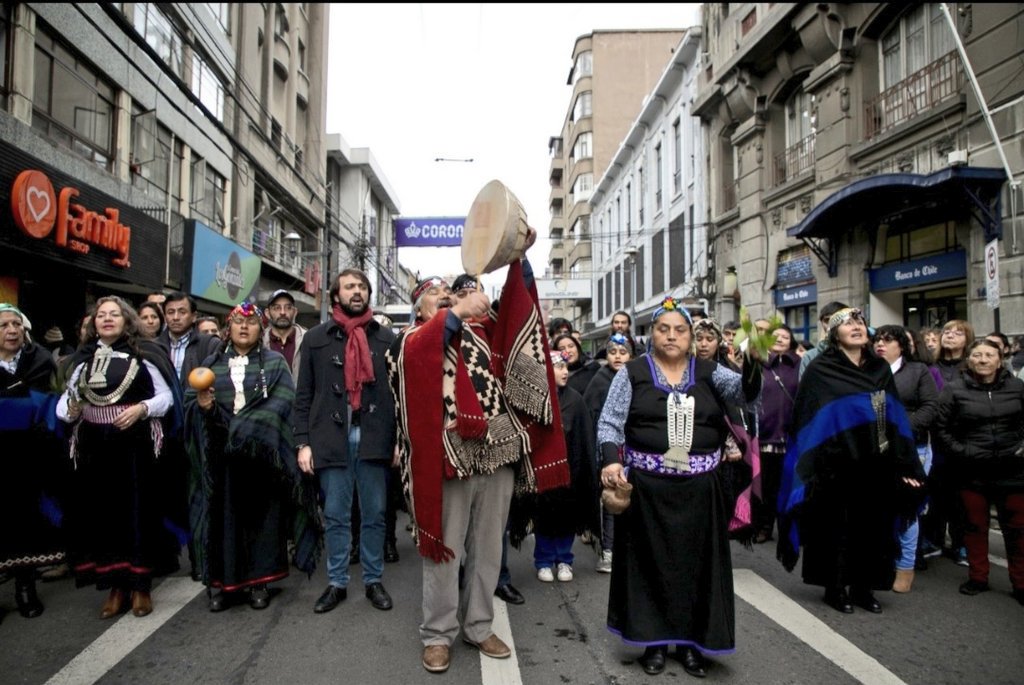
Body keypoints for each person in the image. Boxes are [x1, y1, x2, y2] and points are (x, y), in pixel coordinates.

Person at [388, 232, 570, 675]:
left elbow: (515, 312)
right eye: (435, 296)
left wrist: (517, 260)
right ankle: (437, 634)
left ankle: (479, 623)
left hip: (498, 449)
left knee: (488, 550)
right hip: (447, 457)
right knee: (444, 551)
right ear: (418, 308)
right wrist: (453, 313)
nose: (445, 299)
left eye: (449, 293)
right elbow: (420, 357)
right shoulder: (411, 340)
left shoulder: (482, 334)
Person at [597, 297, 762, 678]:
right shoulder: (633, 373)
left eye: (680, 330)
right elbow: (610, 423)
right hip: (647, 490)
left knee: (696, 569)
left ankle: (691, 646)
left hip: (700, 490)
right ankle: (653, 643)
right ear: (651, 334)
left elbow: (745, 395)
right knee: (648, 567)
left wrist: (754, 359)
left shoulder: (710, 372)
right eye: (663, 329)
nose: (671, 336)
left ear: (691, 336)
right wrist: (610, 459)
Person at [777, 308, 924, 616]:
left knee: (874, 528)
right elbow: (808, 417)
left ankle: (865, 587)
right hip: (835, 466)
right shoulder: (821, 369)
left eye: (859, 322)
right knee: (836, 529)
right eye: (847, 324)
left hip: (876, 463)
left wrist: (906, 463)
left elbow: (894, 414)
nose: (856, 327)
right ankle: (836, 587)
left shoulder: (879, 368)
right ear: (834, 334)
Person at [184, 302, 321, 611]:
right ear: (228, 328)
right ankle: (219, 584)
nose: (244, 327)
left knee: (262, 520)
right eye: (237, 322)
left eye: (251, 323)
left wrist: (247, 427)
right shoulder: (210, 363)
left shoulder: (273, 364)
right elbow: (190, 403)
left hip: (261, 459)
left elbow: (283, 403)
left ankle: (259, 582)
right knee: (220, 519)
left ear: (262, 330)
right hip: (219, 459)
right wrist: (204, 407)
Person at [56, 296, 182, 619]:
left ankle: (140, 586)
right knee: (104, 516)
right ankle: (116, 586)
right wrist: (71, 410)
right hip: (96, 450)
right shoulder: (81, 361)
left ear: (127, 320)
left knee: (137, 514)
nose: (108, 319)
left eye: (115, 314)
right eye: (101, 315)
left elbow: (167, 397)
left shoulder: (145, 354)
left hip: (135, 446)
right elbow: (65, 404)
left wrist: (142, 409)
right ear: (93, 322)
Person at [294, 269, 397, 614]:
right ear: (336, 295)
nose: (357, 292)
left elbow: (400, 397)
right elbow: (303, 395)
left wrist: (399, 441)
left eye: (362, 287)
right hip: (330, 439)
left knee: (375, 514)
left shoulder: (387, 339)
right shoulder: (315, 338)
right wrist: (302, 443)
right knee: (336, 515)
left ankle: (373, 580)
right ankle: (337, 582)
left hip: (374, 437)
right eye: (350, 286)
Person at [933, 338, 1024, 605]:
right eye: (977, 355)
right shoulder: (954, 389)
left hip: (1013, 471)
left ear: (1000, 358)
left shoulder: (1017, 387)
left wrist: (1019, 447)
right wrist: (964, 451)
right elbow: (941, 429)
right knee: (974, 527)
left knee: (1018, 530)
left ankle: (1020, 583)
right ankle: (978, 577)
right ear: (969, 360)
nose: (983, 360)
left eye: (989, 355)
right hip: (971, 471)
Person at [0, 304, 65, 619]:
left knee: (25, 520)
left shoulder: (38, 361)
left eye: (16, 324)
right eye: (3, 325)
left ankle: (25, 589)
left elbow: (48, 404)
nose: (12, 330)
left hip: (28, 454)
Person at [872, 325, 939, 592]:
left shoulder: (917, 371)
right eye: (877, 339)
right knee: (880, 508)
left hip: (913, 449)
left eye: (888, 340)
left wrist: (901, 428)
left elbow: (931, 407)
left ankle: (905, 567)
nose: (881, 344)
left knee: (907, 509)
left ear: (902, 346)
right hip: (878, 450)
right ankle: (883, 561)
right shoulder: (868, 371)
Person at [533, 351, 598, 583]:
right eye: (558, 367)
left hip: (570, 471)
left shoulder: (575, 400)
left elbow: (584, 438)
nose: (564, 372)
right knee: (543, 516)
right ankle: (543, 560)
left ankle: (564, 560)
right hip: (544, 471)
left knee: (567, 517)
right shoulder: (536, 397)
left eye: (565, 367)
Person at [926, 319, 975, 566]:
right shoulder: (930, 366)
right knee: (935, 491)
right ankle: (934, 540)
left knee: (961, 495)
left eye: (958, 332)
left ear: (967, 339)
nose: (950, 336)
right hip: (935, 438)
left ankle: (961, 544)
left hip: (964, 437)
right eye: (947, 331)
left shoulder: (972, 366)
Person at [583, 334, 633, 573]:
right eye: (613, 352)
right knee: (611, 502)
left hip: (634, 451)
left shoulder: (638, 377)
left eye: (623, 352)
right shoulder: (600, 380)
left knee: (633, 502)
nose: (618, 356)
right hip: (609, 452)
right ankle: (607, 550)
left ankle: (630, 551)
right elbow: (593, 417)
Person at [754, 323, 800, 544]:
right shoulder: (759, 364)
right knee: (766, 486)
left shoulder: (800, 365)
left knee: (789, 485)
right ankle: (764, 525)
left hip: (790, 437)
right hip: (765, 435)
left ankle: (787, 529)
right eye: (776, 336)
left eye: (785, 336)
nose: (781, 339)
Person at [157, 292, 223, 387]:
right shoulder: (155, 346)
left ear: (194, 317)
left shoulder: (210, 344)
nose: (176, 318)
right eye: (170, 312)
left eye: (182, 312)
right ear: (164, 317)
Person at [798, 301, 848, 379]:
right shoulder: (810, 356)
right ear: (821, 323)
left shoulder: (861, 352)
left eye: (837, 319)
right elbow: (805, 389)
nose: (831, 324)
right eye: (827, 320)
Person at [263, 289, 307, 379]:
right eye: (276, 308)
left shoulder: (308, 339)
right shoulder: (259, 341)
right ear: (267, 313)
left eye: (288, 308)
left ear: (295, 312)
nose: (282, 312)